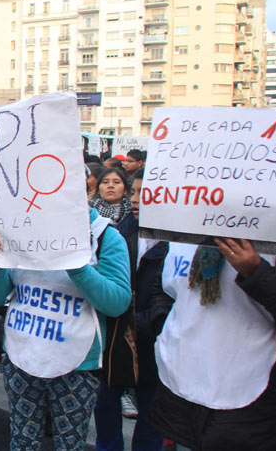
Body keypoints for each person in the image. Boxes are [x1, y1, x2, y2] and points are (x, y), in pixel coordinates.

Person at [0, 206, 131, 450]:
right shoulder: (19, 227)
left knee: (69, 444)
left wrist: (76, 266)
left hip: (77, 365)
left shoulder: (105, 235)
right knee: (22, 441)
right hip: (21, 356)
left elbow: (117, 303)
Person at [149, 237, 276, 451]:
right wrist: (163, 329)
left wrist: (256, 271)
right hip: (180, 396)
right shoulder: (182, 226)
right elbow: (162, 290)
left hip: (253, 405)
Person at [93, 169, 165, 451]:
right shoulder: (119, 233)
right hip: (116, 334)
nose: (136, 199)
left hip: (154, 339)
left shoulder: (178, 244)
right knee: (105, 403)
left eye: (144, 193)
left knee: (151, 412)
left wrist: (145, 324)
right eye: (134, 192)